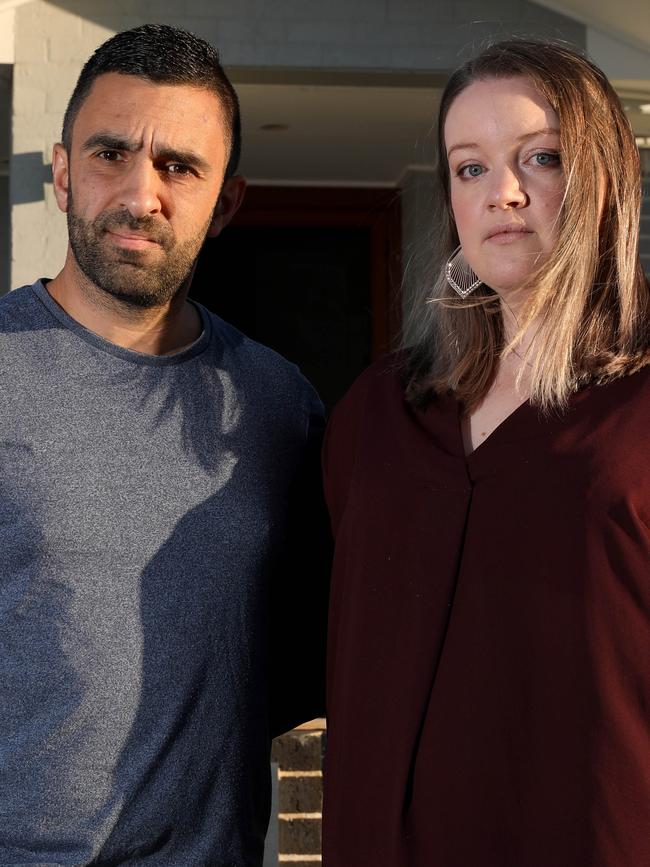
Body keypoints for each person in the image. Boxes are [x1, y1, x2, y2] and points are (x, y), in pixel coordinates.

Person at [0, 24, 328, 866]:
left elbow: (298, 657)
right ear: (63, 172)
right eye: (110, 153)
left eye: (179, 166)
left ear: (227, 204)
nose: (142, 192)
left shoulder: (275, 405)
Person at [322, 39, 650, 867]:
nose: (503, 193)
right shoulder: (381, 413)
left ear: (605, 179)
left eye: (539, 157)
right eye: (470, 168)